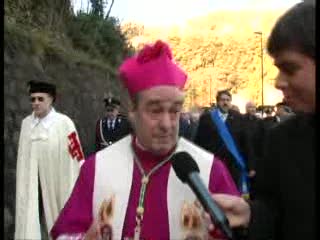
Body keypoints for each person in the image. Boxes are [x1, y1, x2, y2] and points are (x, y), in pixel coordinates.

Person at [50, 40, 240, 240]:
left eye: (175, 110)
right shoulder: (96, 168)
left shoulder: (212, 171)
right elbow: (64, 233)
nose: (167, 124)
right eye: (155, 110)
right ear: (132, 111)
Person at [212, 3, 315, 240]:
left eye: (290, 69)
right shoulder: (282, 140)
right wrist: (251, 215)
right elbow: (275, 211)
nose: (278, 82)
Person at [15, 80, 85, 239]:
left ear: (51, 99)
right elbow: (23, 158)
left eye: (40, 99)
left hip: (56, 183)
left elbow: (77, 155)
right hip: (32, 184)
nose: (36, 103)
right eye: (32, 99)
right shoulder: (26, 124)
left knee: (55, 216)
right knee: (31, 218)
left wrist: (82, 179)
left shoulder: (64, 123)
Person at [194, 89, 253, 195]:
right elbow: (199, 141)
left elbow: (246, 142)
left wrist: (250, 166)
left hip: (234, 164)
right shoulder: (207, 118)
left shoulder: (238, 117)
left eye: (228, 100)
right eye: (222, 100)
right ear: (217, 102)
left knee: (234, 193)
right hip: (214, 163)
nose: (225, 102)